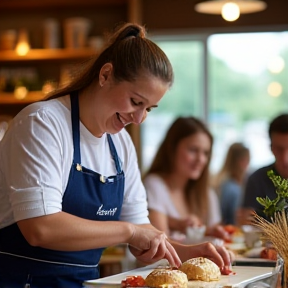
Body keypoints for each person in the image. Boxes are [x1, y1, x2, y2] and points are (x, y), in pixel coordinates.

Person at [0, 23, 231, 287]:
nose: (139, 118)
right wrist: (128, 232)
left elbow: (141, 229)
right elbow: (40, 228)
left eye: (149, 109)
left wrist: (185, 252)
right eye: (135, 102)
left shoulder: (120, 145)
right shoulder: (42, 123)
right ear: (106, 75)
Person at [143, 116, 231, 242]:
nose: (201, 159)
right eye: (193, 150)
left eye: (205, 153)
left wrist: (210, 232)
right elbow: (162, 244)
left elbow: (219, 240)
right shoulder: (155, 184)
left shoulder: (207, 193)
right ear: (171, 148)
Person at [240, 113, 288, 223]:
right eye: (279, 149)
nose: (285, 158)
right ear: (271, 148)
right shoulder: (257, 180)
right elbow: (247, 223)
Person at [212, 142, 250, 225]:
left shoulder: (223, 180)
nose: (247, 164)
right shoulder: (231, 187)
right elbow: (228, 218)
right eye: (244, 160)